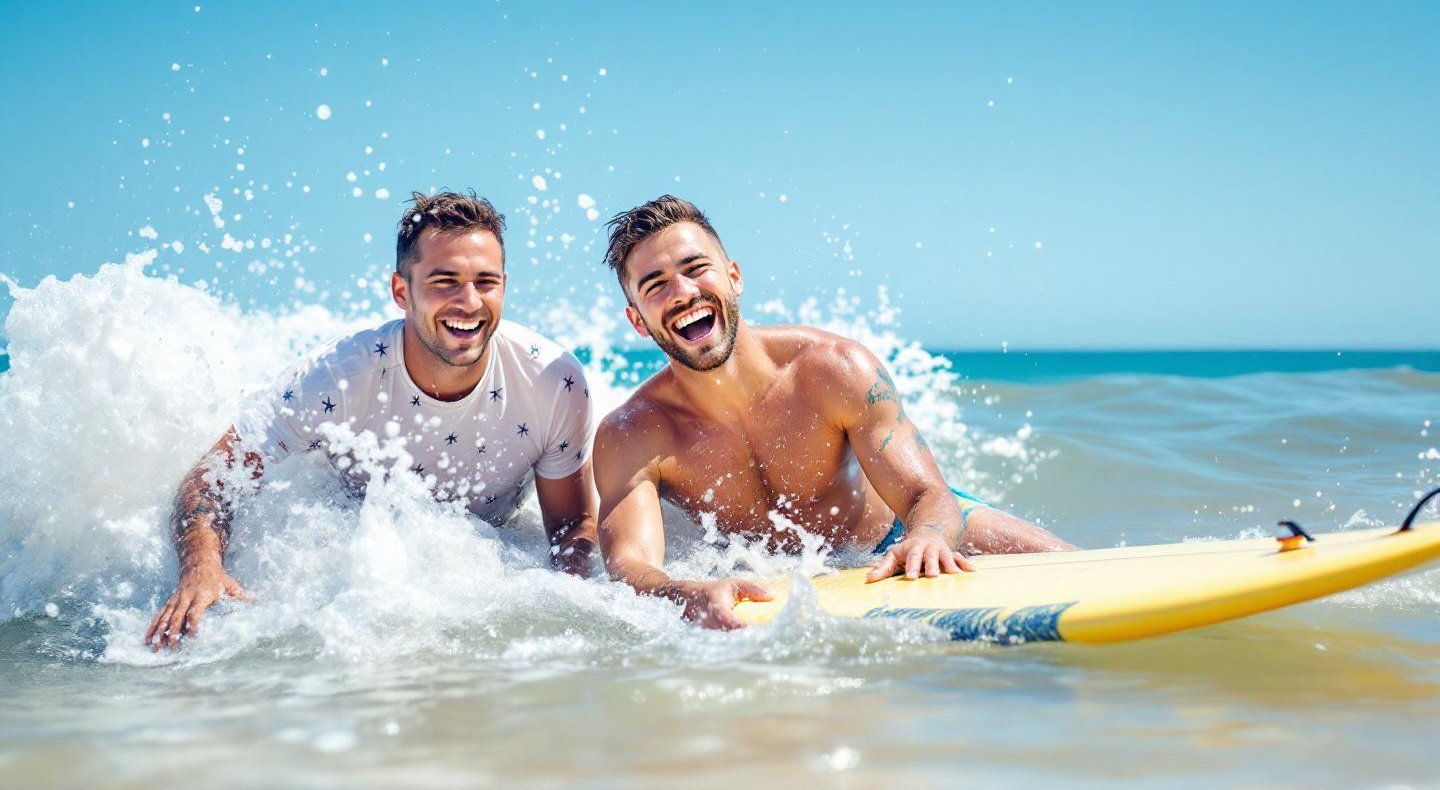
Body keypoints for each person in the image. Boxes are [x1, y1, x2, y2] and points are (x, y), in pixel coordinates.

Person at [593, 196, 1074, 629]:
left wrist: (927, 537)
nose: (682, 292)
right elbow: (631, 566)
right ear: (638, 321)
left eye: (696, 268)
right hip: (760, 573)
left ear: (734, 277)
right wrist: (683, 592)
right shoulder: (633, 434)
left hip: (895, 537)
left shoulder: (833, 369)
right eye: (656, 286)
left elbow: (928, 495)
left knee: (1070, 567)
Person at [145, 191, 597, 650]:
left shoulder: (550, 381)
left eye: (486, 282)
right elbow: (211, 480)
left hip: (488, 558)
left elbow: (572, 527)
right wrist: (202, 569)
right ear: (402, 291)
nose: (469, 301)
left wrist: (560, 614)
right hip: (362, 568)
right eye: (444, 281)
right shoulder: (336, 377)